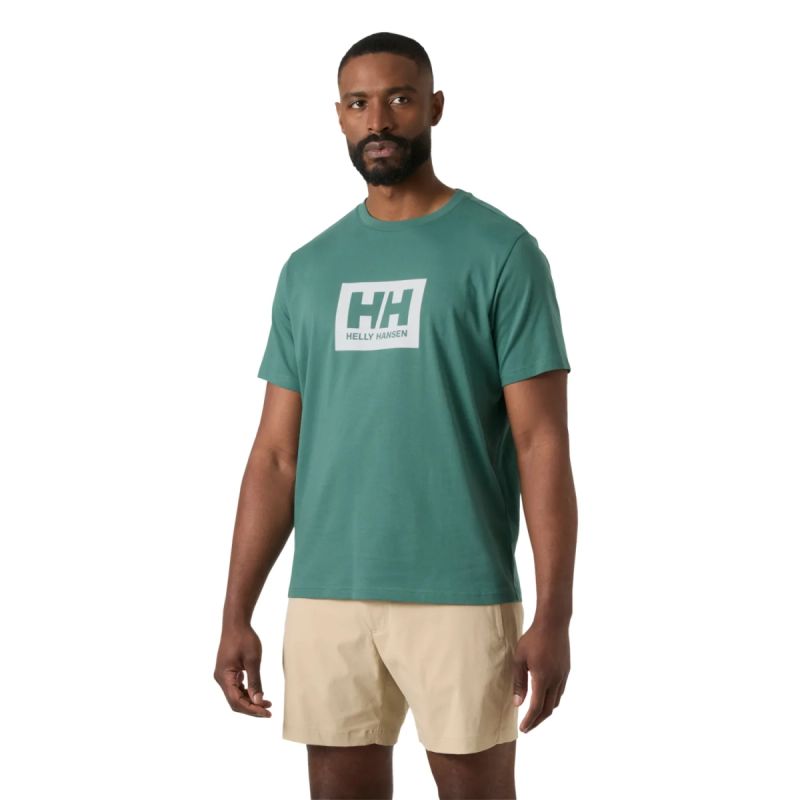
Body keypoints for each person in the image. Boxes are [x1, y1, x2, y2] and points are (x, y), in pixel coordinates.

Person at [214, 31, 578, 800]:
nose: (378, 120)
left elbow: (541, 441)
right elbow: (277, 456)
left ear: (434, 108)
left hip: (461, 592)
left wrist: (555, 614)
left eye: (399, 99)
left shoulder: (502, 252)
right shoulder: (309, 270)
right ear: (339, 117)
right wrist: (235, 612)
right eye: (359, 103)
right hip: (328, 592)